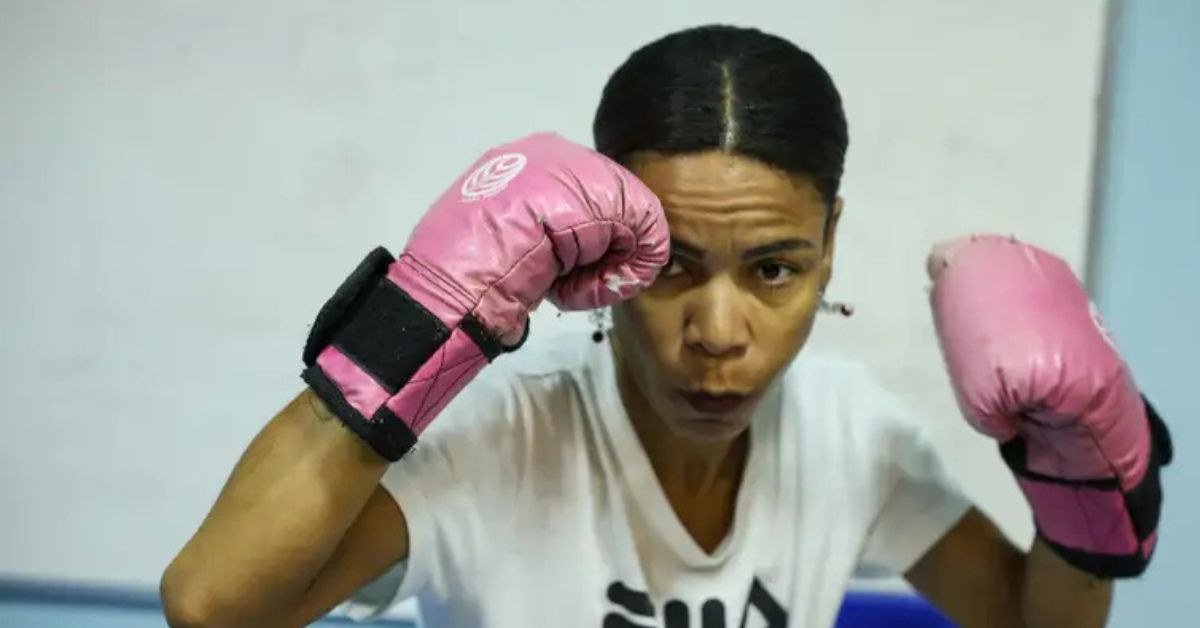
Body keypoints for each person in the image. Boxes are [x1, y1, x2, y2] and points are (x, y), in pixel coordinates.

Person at [160, 25, 1170, 628]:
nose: (720, 333)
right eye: (674, 269)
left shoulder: (847, 432)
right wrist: (415, 319)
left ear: (832, 240)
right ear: (596, 257)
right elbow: (213, 604)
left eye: (776, 269)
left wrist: (1080, 469)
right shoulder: (505, 438)